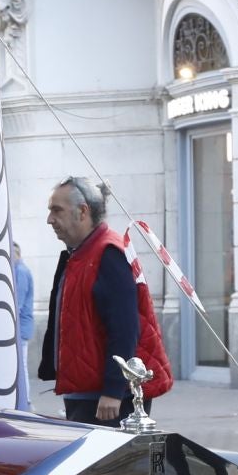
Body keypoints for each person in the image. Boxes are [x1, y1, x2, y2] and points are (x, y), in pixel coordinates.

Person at [37, 177, 171, 427]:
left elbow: (125, 327)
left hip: (106, 398)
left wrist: (113, 390)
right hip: (88, 391)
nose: (50, 219)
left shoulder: (108, 254)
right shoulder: (81, 254)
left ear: (83, 212)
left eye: (57, 211)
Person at [11, 240, 36, 414]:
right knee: (21, 365)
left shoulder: (20, 272)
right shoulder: (20, 270)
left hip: (20, 328)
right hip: (22, 327)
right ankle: (25, 401)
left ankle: (26, 401)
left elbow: (16, 304)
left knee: (22, 366)